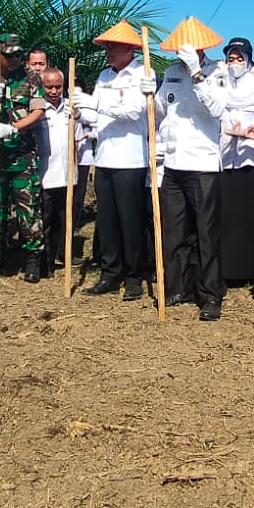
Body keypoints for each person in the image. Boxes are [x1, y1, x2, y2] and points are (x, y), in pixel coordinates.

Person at [154, 18, 230, 319]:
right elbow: (161, 110)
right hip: (173, 162)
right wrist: (150, 92)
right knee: (175, 232)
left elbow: (216, 109)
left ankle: (211, 294)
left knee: (206, 233)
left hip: (202, 164)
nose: (181, 54)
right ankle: (179, 287)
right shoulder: (171, 72)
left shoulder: (217, 71)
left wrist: (197, 73)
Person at [74, 20, 153, 300]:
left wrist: (93, 103)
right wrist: (81, 110)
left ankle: (134, 275)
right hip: (105, 155)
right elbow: (96, 116)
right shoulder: (105, 76)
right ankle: (110, 272)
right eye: (106, 46)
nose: (107, 51)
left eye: (112, 46)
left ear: (129, 49)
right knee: (106, 220)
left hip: (131, 158)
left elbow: (133, 111)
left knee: (130, 220)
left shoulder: (143, 74)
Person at [0, 33, 48, 281]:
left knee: (28, 209)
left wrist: (14, 128)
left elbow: (38, 112)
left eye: (18, 55)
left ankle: (33, 260)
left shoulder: (31, 78)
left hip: (23, 156)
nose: (14, 59)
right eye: (9, 54)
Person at [219, 38, 254, 289]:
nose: (234, 63)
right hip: (224, 158)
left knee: (247, 216)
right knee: (226, 216)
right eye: (231, 58)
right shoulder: (220, 84)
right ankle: (225, 268)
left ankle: (249, 269)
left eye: (239, 58)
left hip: (250, 158)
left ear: (249, 59)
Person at [38, 66, 92, 279]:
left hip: (67, 174)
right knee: (46, 220)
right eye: (49, 87)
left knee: (64, 219)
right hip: (46, 173)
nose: (53, 91)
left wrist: (77, 115)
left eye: (58, 87)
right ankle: (46, 262)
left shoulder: (70, 110)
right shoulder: (39, 110)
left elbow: (77, 141)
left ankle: (64, 254)